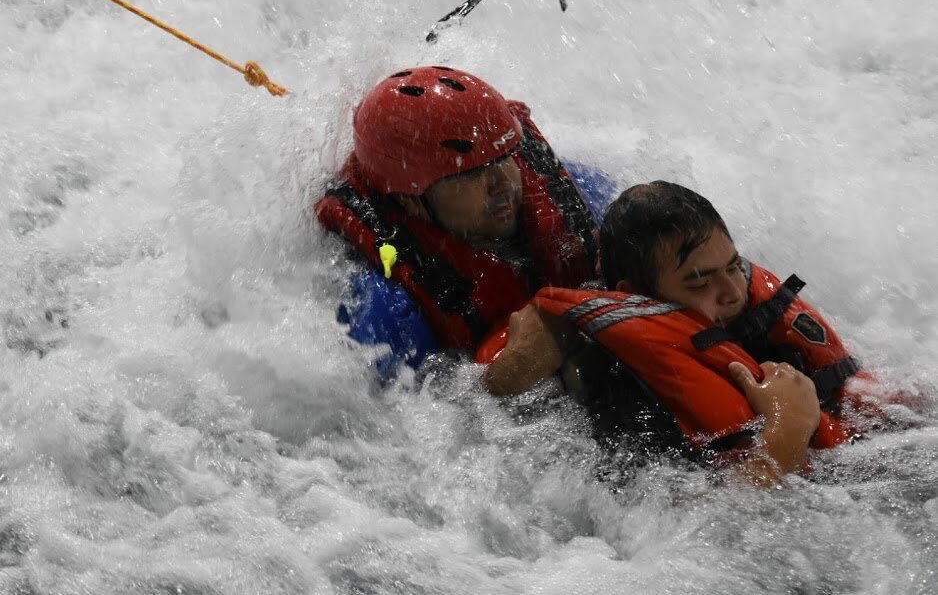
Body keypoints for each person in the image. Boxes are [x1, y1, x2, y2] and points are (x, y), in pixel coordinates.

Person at [481, 181, 886, 485]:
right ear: (633, 297)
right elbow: (714, 531)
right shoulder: (632, 397)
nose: (732, 292)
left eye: (732, 266)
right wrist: (789, 427)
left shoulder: (748, 310)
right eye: (699, 282)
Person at [315, 66, 613, 385]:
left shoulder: (579, 197)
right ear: (410, 201)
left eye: (504, 157)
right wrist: (510, 373)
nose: (503, 183)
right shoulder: (387, 315)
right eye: (471, 174)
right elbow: (425, 424)